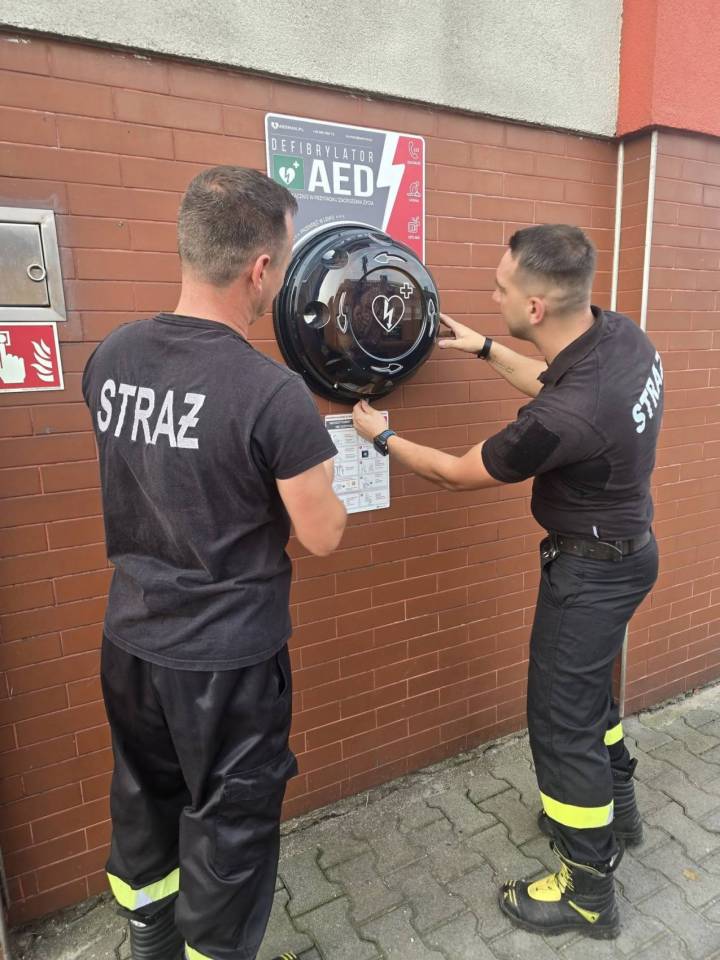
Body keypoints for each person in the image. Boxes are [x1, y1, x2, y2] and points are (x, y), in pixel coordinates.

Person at [352, 224, 663, 940]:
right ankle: (618, 814)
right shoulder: (621, 337)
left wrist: (381, 438)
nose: (490, 295)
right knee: (588, 698)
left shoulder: (564, 416)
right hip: (629, 556)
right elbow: (556, 380)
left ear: (534, 308)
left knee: (559, 726)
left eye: (499, 290)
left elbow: (455, 473)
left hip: (589, 575)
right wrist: (485, 348)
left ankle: (588, 891)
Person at [82, 166, 347, 960]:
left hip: (131, 641)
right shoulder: (272, 393)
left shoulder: (111, 356)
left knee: (144, 797)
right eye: (285, 260)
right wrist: (325, 471)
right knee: (229, 826)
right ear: (259, 269)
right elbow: (323, 535)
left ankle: (150, 938)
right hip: (227, 660)